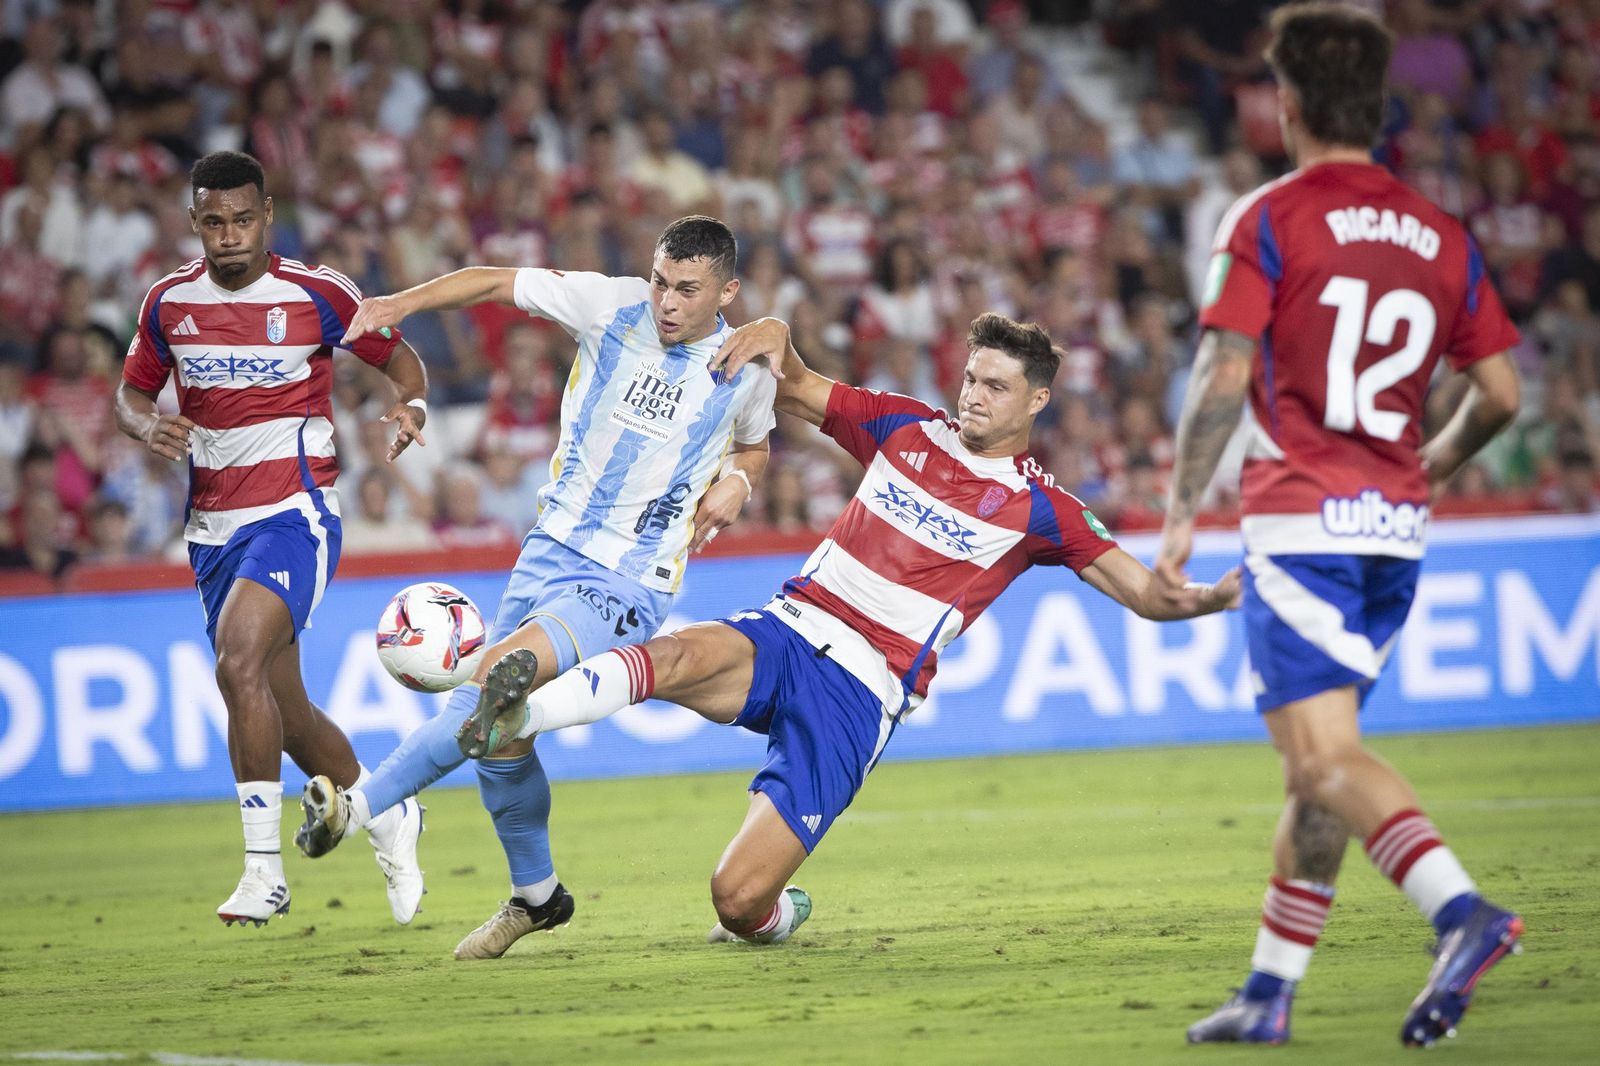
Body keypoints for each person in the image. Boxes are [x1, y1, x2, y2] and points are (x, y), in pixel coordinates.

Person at [451, 311, 1241, 948]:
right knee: (679, 653)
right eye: (970, 377)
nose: (973, 396)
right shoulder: (903, 427)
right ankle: (518, 712)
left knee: (736, 900)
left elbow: (1146, 595)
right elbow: (793, 388)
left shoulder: (1043, 509)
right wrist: (775, 334)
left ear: (1036, 401)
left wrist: (1211, 597)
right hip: (793, 627)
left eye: (996, 387)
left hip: (861, 691)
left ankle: (779, 916)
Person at [1152, 5, 1525, 1049]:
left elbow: (1223, 373)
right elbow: (1499, 391)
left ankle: (1462, 912)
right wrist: (1429, 466)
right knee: (1317, 761)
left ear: (1288, 104)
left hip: (1302, 520)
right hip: (1391, 534)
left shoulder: (1268, 215)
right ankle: (1269, 993)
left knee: (1321, 761)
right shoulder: (1441, 233)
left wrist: (1180, 517)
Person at [295, 216, 777, 960]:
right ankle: (537, 897)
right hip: (547, 551)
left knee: (491, 687)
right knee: (491, 734)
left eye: (687, 289)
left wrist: (740, 480)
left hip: (629, 578)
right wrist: (399, 305)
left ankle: (357, 809)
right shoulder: (609, 304)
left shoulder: (743, 366)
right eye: (659, 281)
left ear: (727, 291)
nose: (666, 302)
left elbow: (755, 441)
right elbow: (494, 279)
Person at [111, 151, 430, 928]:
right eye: (213, 222)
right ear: (194, 223)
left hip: (297, 510)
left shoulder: (318, 293)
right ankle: (389, 813)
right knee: (282, 714)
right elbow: (129, 392)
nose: (229, 236)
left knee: (237, 660)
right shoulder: (167, 303)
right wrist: (145, 423)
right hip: (211, 529)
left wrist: (411, 407)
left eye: (243, 219)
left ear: (267, 215)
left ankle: (263, 874)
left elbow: (402, 360)